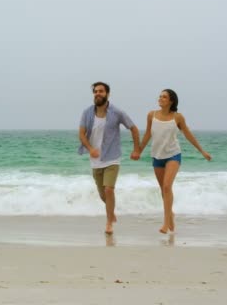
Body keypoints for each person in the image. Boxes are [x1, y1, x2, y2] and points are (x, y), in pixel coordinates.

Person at [138, 89, 212, 234]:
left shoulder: (177, 117)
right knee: (163, 190)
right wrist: (138, 151)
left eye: (164, 97)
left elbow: (188, 135)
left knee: (166, 186)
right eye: (160, 96)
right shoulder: (151, 115)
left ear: (171, 101)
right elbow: (147, 134)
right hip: (157, 156)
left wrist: (202, 151)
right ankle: (170, 214)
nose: (160, 98)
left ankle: (165, 223)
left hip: (173, 155)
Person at [78, 82, 140, 235]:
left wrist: (136, 149)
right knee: (102, 195)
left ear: (107, 94)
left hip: (112, 158)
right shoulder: (87, 113)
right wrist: (90, 149)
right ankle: (111, 212)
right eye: (95, 91)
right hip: (96, 161)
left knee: (109, 189)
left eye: (101, 91)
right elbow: (81, 134)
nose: (97, 94)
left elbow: (133, 128)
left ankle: (109, 222)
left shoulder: (117, 112)